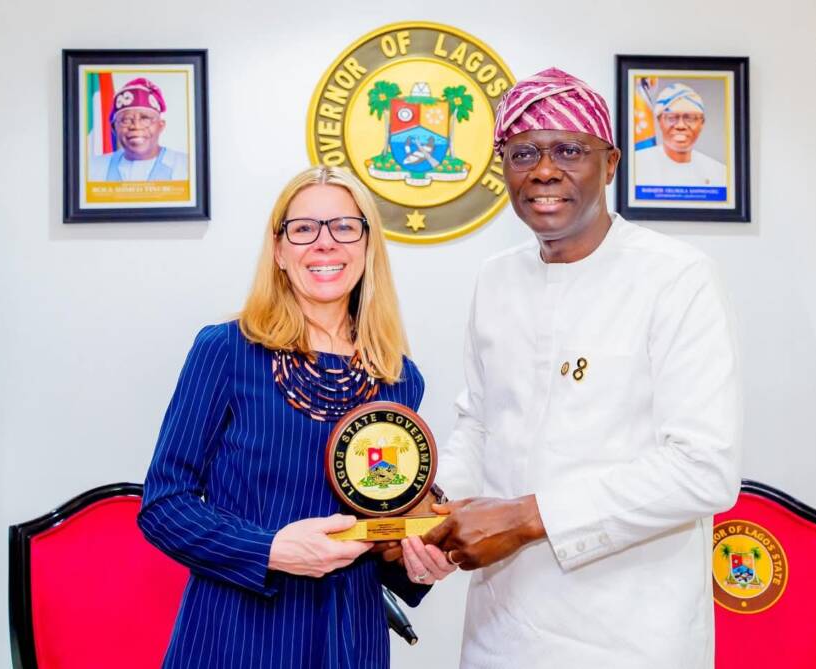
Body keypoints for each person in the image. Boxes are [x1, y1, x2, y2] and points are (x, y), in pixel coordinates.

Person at [421, 68, 743, 667]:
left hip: (631, 631)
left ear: (611, 163)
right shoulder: (495, 279)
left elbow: (705, 470)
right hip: (502, 629)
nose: (544, 171)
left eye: (569, 149)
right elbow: (481, 424)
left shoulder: (676, 276)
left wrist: (523, 517)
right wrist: (437, 508)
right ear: (504, 170)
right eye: (523, 154)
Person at [138, 166, 445, 668]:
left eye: (345, 227)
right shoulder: (225, 352)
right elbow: (163, 506)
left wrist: (419, 564)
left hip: (351, 639)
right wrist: (270, 549)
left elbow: (379, 528)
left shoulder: (399, 379)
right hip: (237, 634)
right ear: (279, 251)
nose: (324, 243)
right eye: (303, 229)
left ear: (368, 247)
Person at [88, 77, 188, 182]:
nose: (136, 126)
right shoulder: (92, 168)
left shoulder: (187, 166)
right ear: (114, 128)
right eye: (126, 120)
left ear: (160, 125)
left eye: (145, 119)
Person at [635, 82, 727, 187]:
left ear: (702, 123)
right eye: (671, 117)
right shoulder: (636, 167)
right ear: (659, 121)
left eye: (690, 118)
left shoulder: (720, 174)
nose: (680, 125)